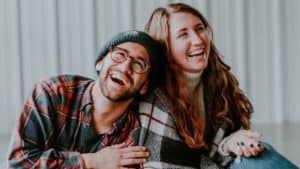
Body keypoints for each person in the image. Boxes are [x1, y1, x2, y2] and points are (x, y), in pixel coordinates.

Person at [138, 2, 299, 169]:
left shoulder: (217, 84)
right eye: (183, 34)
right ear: (166, 47)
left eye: (200, 28)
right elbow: (175, 163)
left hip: (212, 165)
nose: (198, 39)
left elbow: (209, 153)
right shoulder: (153, 98)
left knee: (259, 154)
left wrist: (230, 143)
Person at [7, 30, 167, 169]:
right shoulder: (53, 93)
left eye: (139, 64)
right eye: (120, 54)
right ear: (100, 62)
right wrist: (91, 161)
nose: (125, 67)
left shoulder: (134, 134)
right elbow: (18, 163)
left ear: (145, 86)